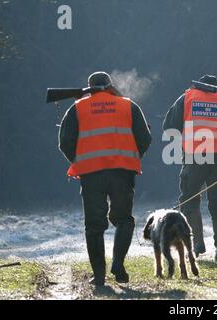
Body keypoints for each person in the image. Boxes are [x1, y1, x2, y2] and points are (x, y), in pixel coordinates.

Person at [59, 71, 152, 287]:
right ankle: (118, 265)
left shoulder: (77, 108)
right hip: (122, 172)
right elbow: (145, 139)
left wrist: (80, 160)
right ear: (110, 86)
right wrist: (131, 157)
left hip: (91, 174)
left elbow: (65, 141)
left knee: (94, 225)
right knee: (124, 220)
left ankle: (99, 276)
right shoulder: (128, 105)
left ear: (88, 87)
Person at [163, 75, 217, 266]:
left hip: (194, 157)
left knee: (189, 201)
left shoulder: (187, 98)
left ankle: (196, 243)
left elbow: (169, 126)